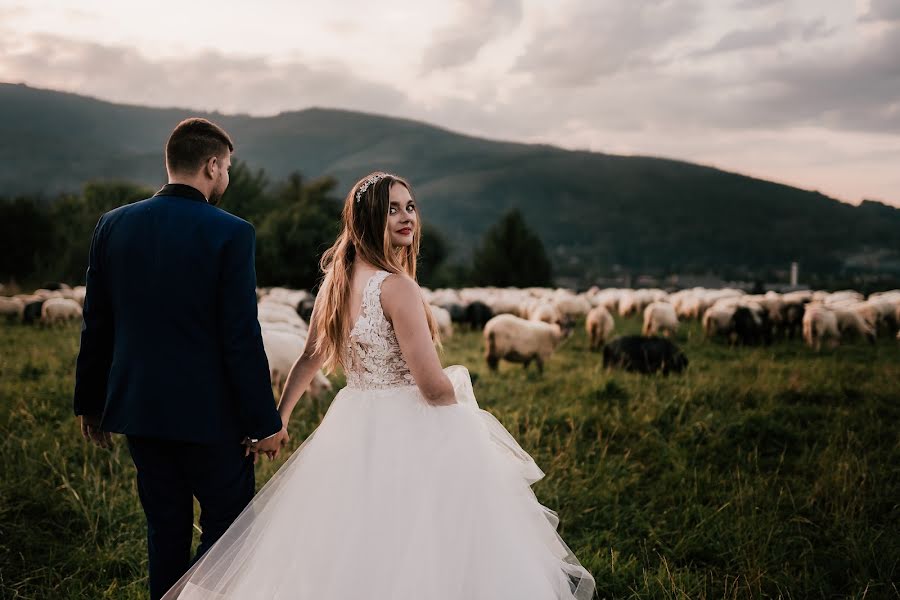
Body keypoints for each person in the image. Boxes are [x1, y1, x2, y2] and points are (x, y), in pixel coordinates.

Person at [163, 170, 595, 599]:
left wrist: (282, 416)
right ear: (369, 219)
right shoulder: (397, 287)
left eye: (410, 207)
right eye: (392, 210)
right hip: (407, 426)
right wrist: (465, 410)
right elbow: (430, 386)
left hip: (351, 421)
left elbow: (310, 356)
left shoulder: (337, 281)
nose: (406, 217)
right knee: (426, 540)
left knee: (348, 540)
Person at [73, 117, 289, 600]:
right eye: (228, 166)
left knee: (165, 530)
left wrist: (90, 402)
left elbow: (97, 322)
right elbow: (239, 335)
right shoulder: (232, 232)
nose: (227, 176)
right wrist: (264, 419)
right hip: (211, 418)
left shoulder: (113, 225)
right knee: (230, 534)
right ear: (212, 165)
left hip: (140, 412)